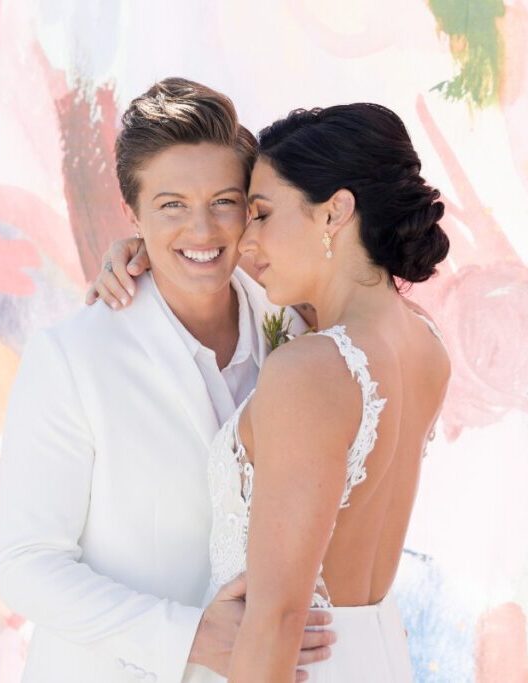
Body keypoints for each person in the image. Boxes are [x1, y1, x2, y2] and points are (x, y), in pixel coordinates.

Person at [92, 101, 451, 681]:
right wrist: (147, 253)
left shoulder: (310, 369)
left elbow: (280, 615)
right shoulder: (424, 343)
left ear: (335, 212)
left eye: (260, 214)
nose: (245, 240)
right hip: (377, 657)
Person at [0, 78, 335, 683]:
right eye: (172, 205)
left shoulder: (296, 324)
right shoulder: (72, 357)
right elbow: (28, 564)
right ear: (133, 215)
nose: (202, 231)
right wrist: (188, 637)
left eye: (224, 201)